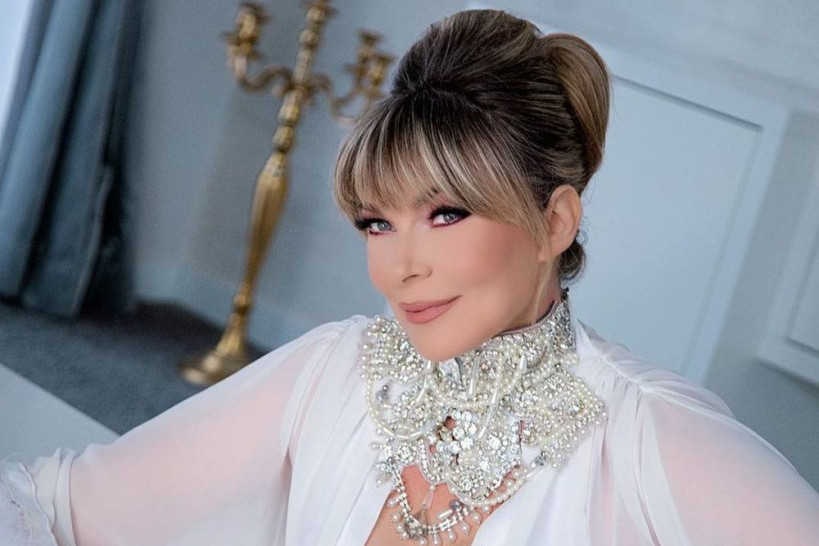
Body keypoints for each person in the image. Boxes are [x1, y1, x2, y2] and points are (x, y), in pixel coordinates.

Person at [2, 8, 818, 546]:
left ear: (554, 222)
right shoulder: (334, 372)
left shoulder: (651, 440)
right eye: (375, 222)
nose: (399, 266)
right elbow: (57, 506)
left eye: (446, 214)